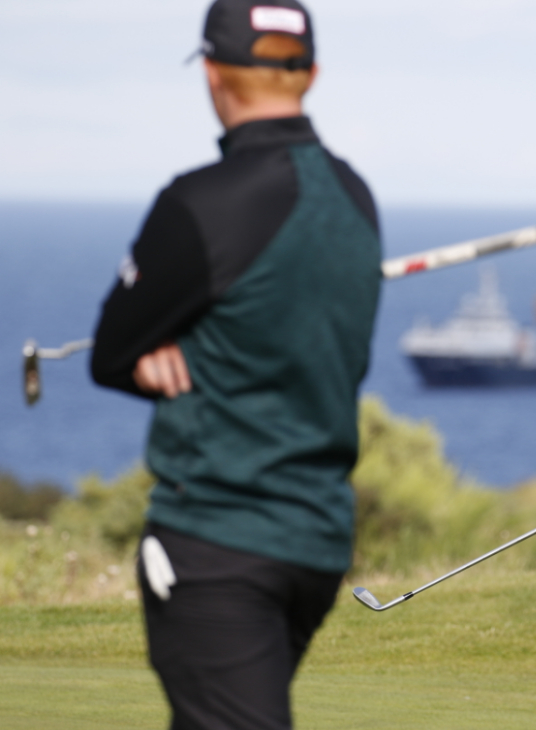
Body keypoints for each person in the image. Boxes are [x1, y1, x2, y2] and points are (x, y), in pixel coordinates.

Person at [89, 1, 381, 728]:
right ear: (309, 74)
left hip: (215, 541)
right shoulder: (355, 199)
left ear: (212, 74)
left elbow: (110, 352)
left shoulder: (199, 203)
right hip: (317, 542)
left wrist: (168, 345)